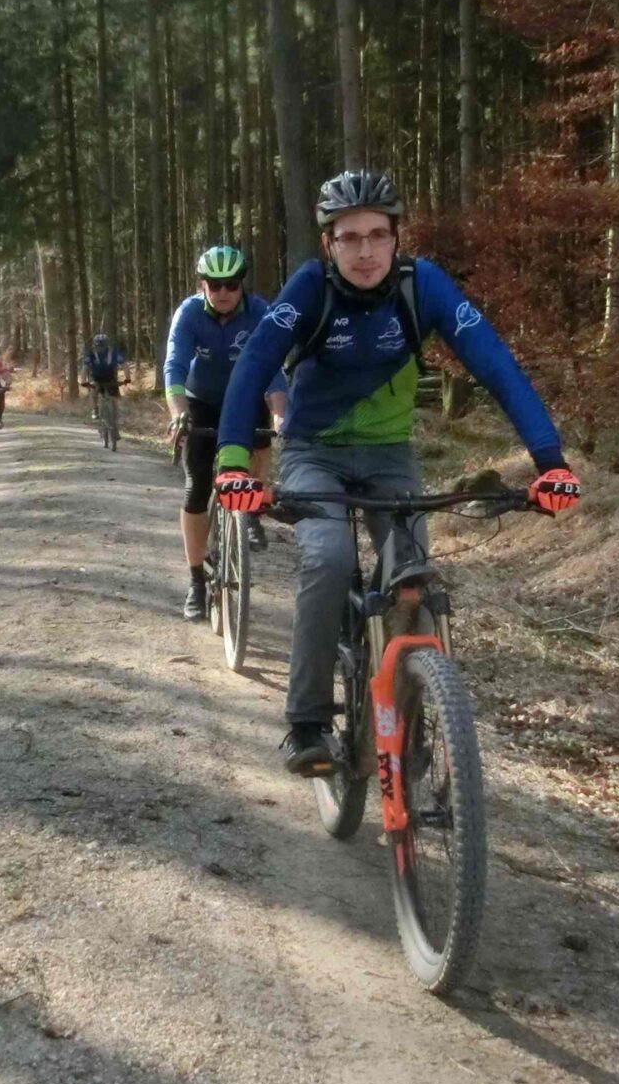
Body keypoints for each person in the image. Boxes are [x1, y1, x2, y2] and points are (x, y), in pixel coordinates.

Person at [211, 171, 581, 776]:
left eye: (377, 235)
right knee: (328, 559)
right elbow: (254, 363)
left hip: (389, 456)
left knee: (411, 573)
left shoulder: (422, 285)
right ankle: (307, 722)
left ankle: (409, 720)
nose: (365, 251)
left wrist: (550, 463)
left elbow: (496, 364)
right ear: (329, 243)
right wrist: (231, 462)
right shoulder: (310, 287)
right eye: (350, 237)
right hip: (313, 452)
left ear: (396, 238)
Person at [165, 245, 286, 622]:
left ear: (241, 285)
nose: (223, 292)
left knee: (263, 436)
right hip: (200, 401)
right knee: (196, 488)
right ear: (202, 284)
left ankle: (251, 512)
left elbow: (274, 370)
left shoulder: (260, 312)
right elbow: (174, 368)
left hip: (246, 397)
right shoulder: (188, 314)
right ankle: (197, 580)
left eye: (231, 284)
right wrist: (179, 415)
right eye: (214, 285)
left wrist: (281, 415)